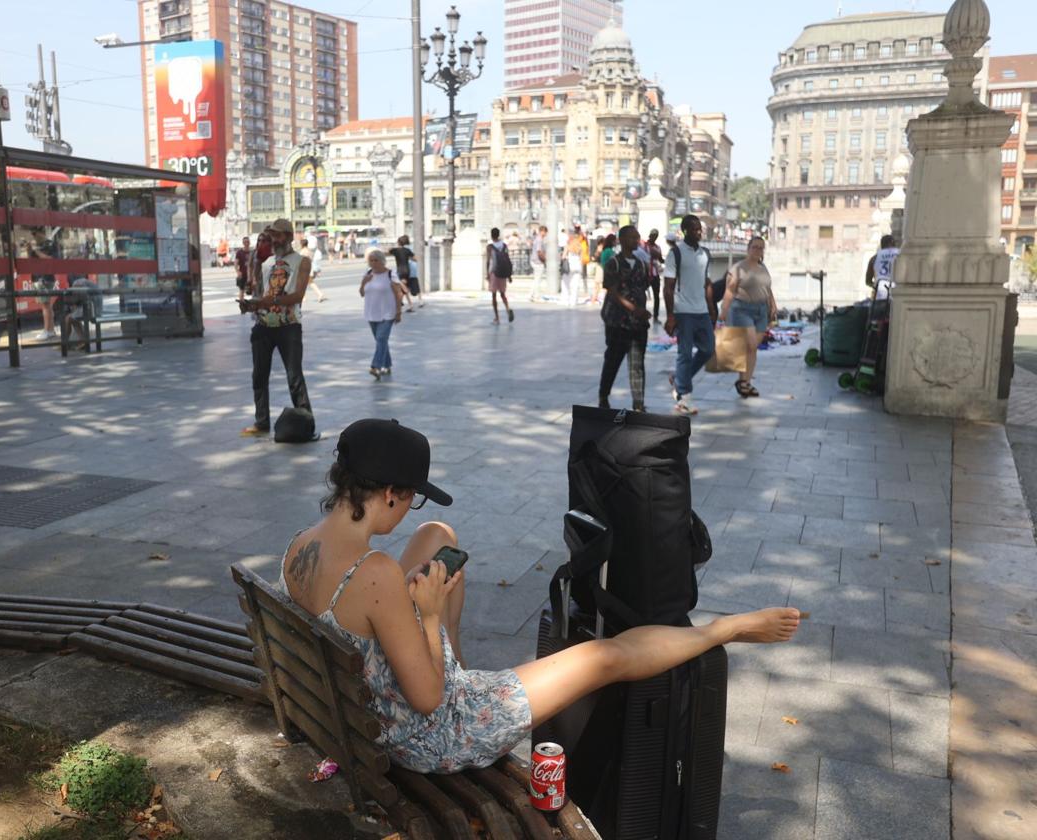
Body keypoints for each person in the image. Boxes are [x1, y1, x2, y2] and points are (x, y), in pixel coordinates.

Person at [276, 418, 801, 774]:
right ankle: (726, 628)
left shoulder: (302, 544)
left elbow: (361, 614)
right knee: (603, 658)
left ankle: (456, 657)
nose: (406, 511)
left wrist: (414, 607)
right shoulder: (376, 574)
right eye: (410, 500)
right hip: (426, 735)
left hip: (359, 704)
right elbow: (429, 701)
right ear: (389, 493)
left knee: (438, 536)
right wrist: (430, 616)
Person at [240, 218, 315, 437]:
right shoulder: (266, 263)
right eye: (272, 235)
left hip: (288, 326)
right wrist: (251, 305)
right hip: (263, 324)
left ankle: (306, 422)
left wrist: (266, 302)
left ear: (289, 237)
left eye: (278, 235)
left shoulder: (301, 261)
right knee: (259, 375)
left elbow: (298, 296)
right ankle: (261, 421)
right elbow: (262, 293)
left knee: (294, 375)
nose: (274, 239)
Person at [664, 215, 717, 416]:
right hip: (683, 311)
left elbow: (707, 283)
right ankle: (684, 397)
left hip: (702, 310)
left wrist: (712, 308)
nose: (698, 232)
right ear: (685, 230)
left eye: (699, 229)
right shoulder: (675, 253)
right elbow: (668, 287)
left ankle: (679, 379)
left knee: (708, 349)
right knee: (684, 354)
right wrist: (670, 316)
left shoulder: (705, 254)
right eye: (694, 229)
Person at [597, 226, 652, 411]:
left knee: (637, 364)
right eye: (632, 237)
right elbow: (612, 291)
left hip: (638, 324)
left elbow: (643, 287)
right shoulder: (614, 263)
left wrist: (641, 311)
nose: (637, 240)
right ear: (622, 240)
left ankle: (639, 402)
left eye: (637, 237)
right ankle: (603, 395)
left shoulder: (641, 264)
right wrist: (633, 308)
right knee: (613, 360)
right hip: (617, 322)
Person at [720, 237, 777, 399]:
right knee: (750, 343)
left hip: (761, 310)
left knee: (752, 348)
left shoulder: (763, 268)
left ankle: (745, 381)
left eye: (761, 248)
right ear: (748, 248)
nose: (758, 251)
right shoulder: (738, 268)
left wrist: (772, 305)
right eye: (755, 247)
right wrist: (724, 310)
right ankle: (743, 381)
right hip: (742, 309)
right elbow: (730, 291)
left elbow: (768, 289)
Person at [360, 250, 404, 380]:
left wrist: (398, 312)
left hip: (387, 313)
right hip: (371, 313)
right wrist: (364, 282)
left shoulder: (391, 274)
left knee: (381, 339)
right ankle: (387, 364)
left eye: (376, 260)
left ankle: (376, 366)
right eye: (371, 261)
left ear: (382, 261)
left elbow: (398, 294)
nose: (373, 263)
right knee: (381, 341)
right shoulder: (368, 274)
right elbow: (362, 293)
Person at [29, 228, 60, 341]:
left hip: (44, 278)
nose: (35, 237)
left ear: (41, 233)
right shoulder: (43, 245)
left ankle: (46, 331)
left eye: (36, 235)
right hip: (43, 278)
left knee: (45, 306)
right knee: (48, 305)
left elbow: (49, 259)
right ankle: (51, 330)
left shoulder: (48, 245)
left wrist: (35, 250)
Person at [484, 228, 515, 324]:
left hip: (494, 273)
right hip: (503, 273)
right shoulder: (504, 245)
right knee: (502, 294)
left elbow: (488, 261)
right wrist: (509, 275)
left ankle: (497, 318)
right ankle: (507, 308)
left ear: (491, 235)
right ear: (498, 235)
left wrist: (487, 274)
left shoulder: (490, 247)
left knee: (494, 296)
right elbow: (507, 259)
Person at [866, 235, 900, 301]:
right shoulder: (901, 254)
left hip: (880, 294)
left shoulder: (874, 258)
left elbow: (868, 281)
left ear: (882, 245)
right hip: (897, 292)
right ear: (894, 243)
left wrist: (876, 286)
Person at [390, 236, 419, 311]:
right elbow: (415, 259)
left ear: (398, 242)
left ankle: (409, 304)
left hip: (400, 270)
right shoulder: (407, 250)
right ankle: (402, 303)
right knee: (402, 287)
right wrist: (408, 257)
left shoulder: (395, 250)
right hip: (407, 270)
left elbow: (387, 252)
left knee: (402, 288)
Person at [302, 231, 328, 303]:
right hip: (310, 268)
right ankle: (319, 294)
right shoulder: (312, 250)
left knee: (302, 283)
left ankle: (303, 298)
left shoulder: (306, 250)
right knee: (310, 282)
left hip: (306, 269)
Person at [563, 226, 586, 307]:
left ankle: (566, 300)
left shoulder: (568, 244)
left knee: (566, 283)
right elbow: (582, 257)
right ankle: (573, 301)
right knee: (575, 285)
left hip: (569, 266)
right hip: (578, 266)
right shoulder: (579, 244)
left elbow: (564, 256)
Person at [645, 229, 664, 323]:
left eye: (656, 235)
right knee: (642, 294)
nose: (654, 237)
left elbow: (660, 259)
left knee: (656, 296)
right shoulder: (644, 246)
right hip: (646, 273)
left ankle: (656, 316)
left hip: (655, 274)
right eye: (653, 235)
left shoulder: (657, 247)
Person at [529, 225, 548, 302]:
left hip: (534, 260)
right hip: (538, 261)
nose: (546, 234)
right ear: (542, 231)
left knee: (536, 280)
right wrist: (544, 259)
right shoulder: (539, 239)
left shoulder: (536, 238)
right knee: (538, 280)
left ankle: (531, 295)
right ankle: (536, 296)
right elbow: (539, 251)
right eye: (545, 232)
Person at [233, 236, 252, 302]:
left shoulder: (252, 252)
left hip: (251, 274)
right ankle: (242, 302)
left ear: (249, 243)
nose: (246, 243)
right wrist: (238, 272)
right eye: (245, 242)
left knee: (253, 289)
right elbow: (235, 263)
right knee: (242, 289)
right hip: (243, 273)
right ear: (243, 243)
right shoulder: (239, 252)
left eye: (248, 242)